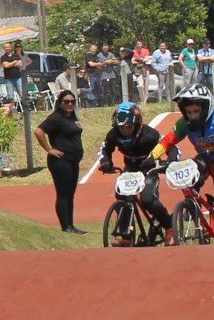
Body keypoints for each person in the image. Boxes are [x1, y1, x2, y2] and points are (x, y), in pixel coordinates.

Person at [156, 85, 214, 242]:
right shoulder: (184, 123)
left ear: (206, 108)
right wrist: (152, 157)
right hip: (204, 159)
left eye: (196, 112)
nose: (192, 116)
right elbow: (168, 141)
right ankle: (197, 214)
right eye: (189, 112)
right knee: (187, 184)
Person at [96, 101, 171, 237]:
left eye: (128, 127)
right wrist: (106, 161)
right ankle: (126, 235)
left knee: (148, 200)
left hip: (149, 169)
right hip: (130, 169)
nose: (124, 130)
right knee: (124, 198)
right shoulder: (113, 134)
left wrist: (169, 162)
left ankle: (169, 227)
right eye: (121, 127)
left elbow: (169, 145)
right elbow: (105, 149)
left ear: (137, 123)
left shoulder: (150, 134)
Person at [34, 88, 87, 234]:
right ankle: (65, 227)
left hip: (72, 160)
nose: (70, 104)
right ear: (60, 103)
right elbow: (39, 131)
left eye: (72, 101)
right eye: (66, 101)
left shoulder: (72, 117)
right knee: (63, 194)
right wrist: (49, 149)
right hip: (60, 161)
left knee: (70, 194)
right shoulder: (56, 117)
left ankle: (71, 225)